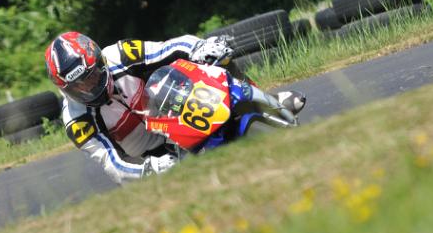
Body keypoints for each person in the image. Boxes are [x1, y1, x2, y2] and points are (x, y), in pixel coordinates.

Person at [45, 31, 305, 183]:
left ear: (100, 62)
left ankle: (261, 101)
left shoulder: (120, 54)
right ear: (65, 90)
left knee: (216, 58)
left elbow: (170, 48)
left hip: (169, 116)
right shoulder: (77, 120)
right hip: (150, 160)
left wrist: (201, 47)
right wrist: (148, 169)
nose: (88, 88)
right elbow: (112, 163)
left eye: (90, 76)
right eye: (78, 87)